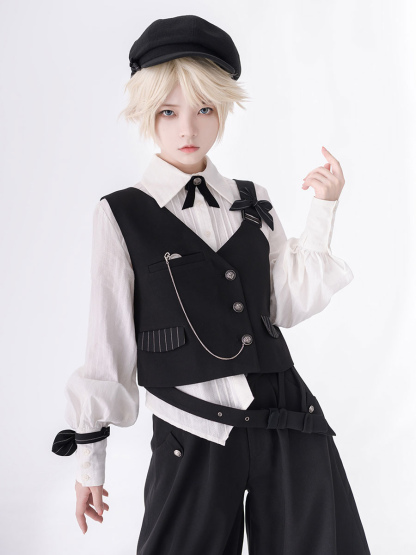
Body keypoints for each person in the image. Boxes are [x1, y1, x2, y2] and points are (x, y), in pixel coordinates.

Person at [52, 14, 372, 554]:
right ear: (146, 114)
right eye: (168, 112)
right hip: (193, 428)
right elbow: (108, 343)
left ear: (223, 109)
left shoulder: (252, 200)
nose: (188, 129)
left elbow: (284, 305)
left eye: (204, 109)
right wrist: (90, 463)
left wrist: (324, 209)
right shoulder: (121, 214)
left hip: (287, 420)